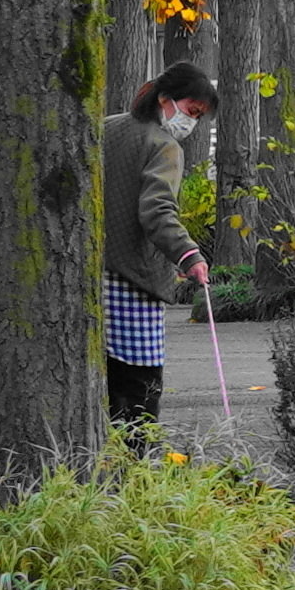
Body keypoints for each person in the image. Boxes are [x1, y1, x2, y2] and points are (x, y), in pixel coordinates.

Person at [104, 61, 216, 435]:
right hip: (135, 282)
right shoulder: (163, 146)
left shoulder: (106, 128)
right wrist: (189, 255)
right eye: (191, 111)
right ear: (165, 99)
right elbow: (157, 210)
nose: (191, 122)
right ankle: (135, 461)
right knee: (140, 389)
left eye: (198, 117)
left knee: (105, 385)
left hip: (94, 276)